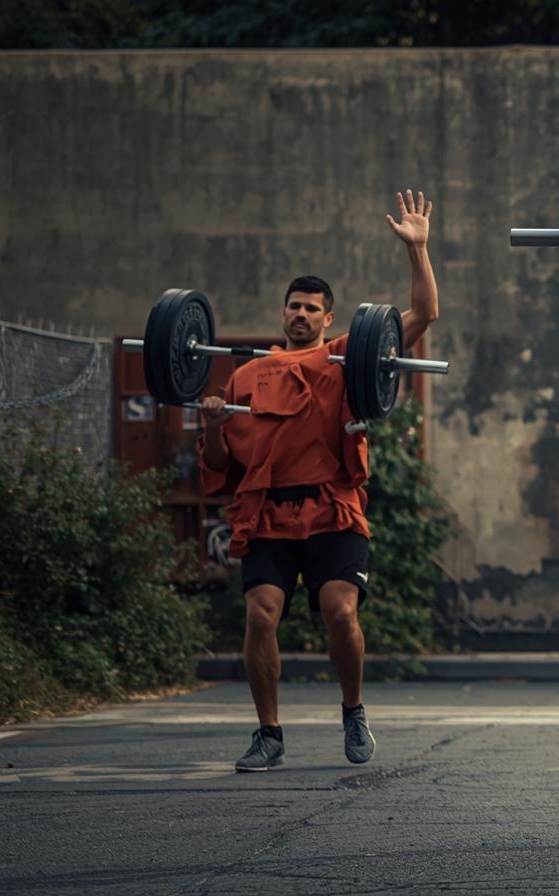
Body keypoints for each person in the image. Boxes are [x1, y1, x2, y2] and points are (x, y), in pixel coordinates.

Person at [198, 190, 439, 773]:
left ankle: (352, 711)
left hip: (332, 510)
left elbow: (424, 315)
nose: (300, 314)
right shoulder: (247, 376)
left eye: (311, 308)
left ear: (328, 317)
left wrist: (418, 251)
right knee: (259, 614)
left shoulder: (344, 356)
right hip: (268, 515)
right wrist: (207, 424)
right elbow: (218, 466)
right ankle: (269, 733)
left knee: (341, 613)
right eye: (293, 307)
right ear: (283, 314)